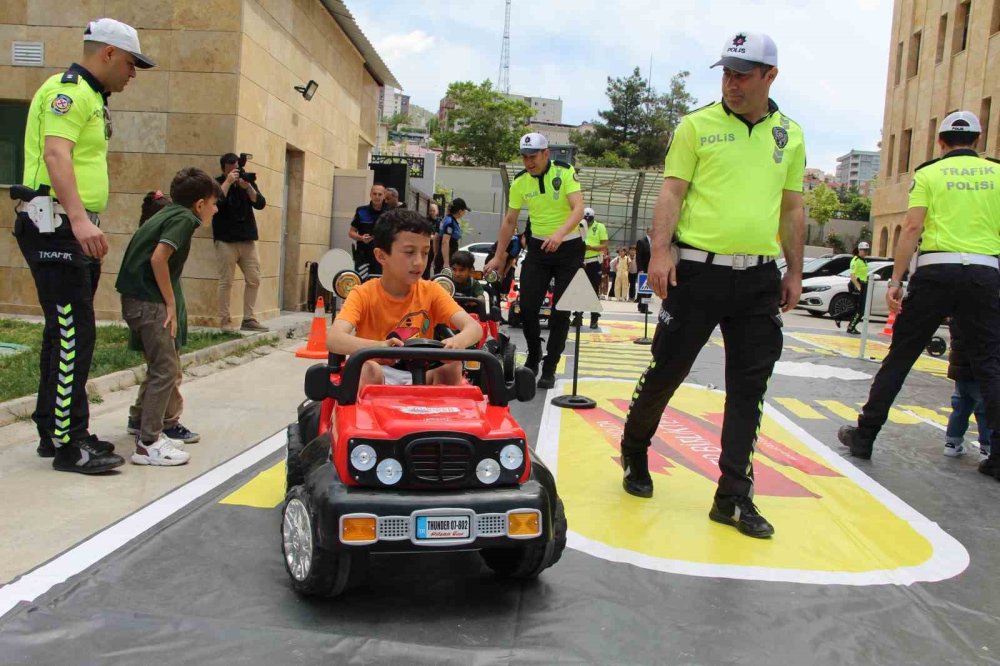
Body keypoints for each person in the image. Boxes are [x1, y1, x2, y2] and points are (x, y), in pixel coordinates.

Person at [618, 31, 806, 539]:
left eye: (742, 74)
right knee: (668, 370)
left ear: (770, 76)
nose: (732, 83)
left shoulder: (789, 134)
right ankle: (635, 450)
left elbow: (792, 208)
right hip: (697, 273)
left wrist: (794, 270)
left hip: (759, 280)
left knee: (749, 390)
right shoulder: (696, 126)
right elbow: (672, 191)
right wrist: (659, 253)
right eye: (726, 72)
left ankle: (733, 496)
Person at [14, 18, 154, 473]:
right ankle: (69, 442)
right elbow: (56, 154)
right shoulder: (68, 92)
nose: (134, 73)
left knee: (64, 334)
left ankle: (54, 430)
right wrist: (78, 220)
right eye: (132, 63)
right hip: (54, 224)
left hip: (66, 225)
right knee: (76, 333)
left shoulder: (92, 98)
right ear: (109, 53)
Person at [839, 111, 1000, 481]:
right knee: (991, 364)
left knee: (900, 357)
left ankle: (865, 435)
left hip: (936, 272)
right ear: (978, 141)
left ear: (940, 143)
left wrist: (896, 279)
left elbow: (912, 226)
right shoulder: (996, 173)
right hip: (983, 273)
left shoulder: (929, 174)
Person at [117, 168, 222, 466]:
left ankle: (146, 428)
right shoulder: (184, 219)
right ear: (200, 205)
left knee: (159, 367)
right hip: (149, 303)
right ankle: (149, 443)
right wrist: (170, 302)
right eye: (214, 204)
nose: (215, 210)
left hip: (136, 299)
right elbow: (158, 258)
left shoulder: (169, 212)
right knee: (166, 369)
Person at [329, 209, 482, 388]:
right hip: (378, 374)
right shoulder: (363, 294)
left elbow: (474, 328)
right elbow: (334, 338)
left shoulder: (432, 291)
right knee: (368, 368)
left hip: (422, 373)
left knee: (452, 367)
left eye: (425, 253)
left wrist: (456, 343)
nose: (419, 262)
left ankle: (438, 414)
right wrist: (378, 347)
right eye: (409, 252)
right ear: (381, 256)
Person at [484, 132, 585, 388]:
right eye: (524, 157)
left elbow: (578, 209)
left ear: (546, 154)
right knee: (526, 306)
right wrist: (498, 257)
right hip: (539, 249)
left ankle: (550, 366)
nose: (528, 162)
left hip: (569, 246)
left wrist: (560, 234)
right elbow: (510, 221)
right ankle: (535, 353)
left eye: (533, 157)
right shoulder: (520, 182)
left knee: (561, 312)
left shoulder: (564, 172)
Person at [213, 152, 267, 332]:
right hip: (225, 240)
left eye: (237, 165)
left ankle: (249, 319)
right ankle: (225, 322)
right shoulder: (217, 183)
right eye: (231, 166)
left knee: (254, 279)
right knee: (226, 281)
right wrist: (228, 182)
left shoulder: (246, 182)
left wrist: (248, 188)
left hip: (247, 239)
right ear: (225, 167)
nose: (235, 169)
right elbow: (216, 204)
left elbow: (260, 203)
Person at [944, 319, 992, 458]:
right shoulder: (985, 311)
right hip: (982, 368)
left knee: (961, 405)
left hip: (960, 367)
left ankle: (952, 443)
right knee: (985, 409)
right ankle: (987, 448)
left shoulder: (958, 313)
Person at [350, 183, 386, 279]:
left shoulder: (390, 213)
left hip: (383, 257)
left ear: (384, 196)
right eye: (374, 194)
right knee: (363, 284)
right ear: (370, 195)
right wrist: (361, 238)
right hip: (364, 257)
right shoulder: (361, 211)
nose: (377, 197)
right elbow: (351, 233)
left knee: (381, 287)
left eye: (380, 194)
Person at [582, 207, 609, 328]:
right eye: (585, 219)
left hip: (594, 261)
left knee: (594, 290)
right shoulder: (579, 226)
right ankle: (578, 317)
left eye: (590, 219)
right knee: (579, 290)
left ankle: (594, 319)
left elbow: (604, 246)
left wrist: (590, 247)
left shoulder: (600, 227)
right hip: (581, 261)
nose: (587, 221)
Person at [842, 241, 870, 334]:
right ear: (859, 250)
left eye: (867, 250)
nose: (866, 252)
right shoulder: (855, 260)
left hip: (863, 284)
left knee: (861, 309)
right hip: (856, 285)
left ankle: (850, 325)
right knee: (859, 309)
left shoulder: (864, 260)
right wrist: (858, 286)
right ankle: (850, 327)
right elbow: (852, 275)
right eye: (864, 250)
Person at [436, 197, 469, 270]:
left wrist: (436, 255)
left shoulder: (446, 219)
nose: (464, 213)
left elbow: (437, 238)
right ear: (460, 211)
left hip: (442, 256)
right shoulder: (450, 222)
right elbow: (445, 242)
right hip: (446, 259)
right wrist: (446, 263)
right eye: (464, 211)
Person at [423, 201, 439, 278]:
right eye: (430, 210)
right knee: (426, 265)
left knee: (436, 266)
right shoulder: (425, 220)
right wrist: (432, 237)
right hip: (428, 245)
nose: (432, 212)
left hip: (436, 247)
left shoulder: (440, 221)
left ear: (437, 211)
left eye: (433, 210)